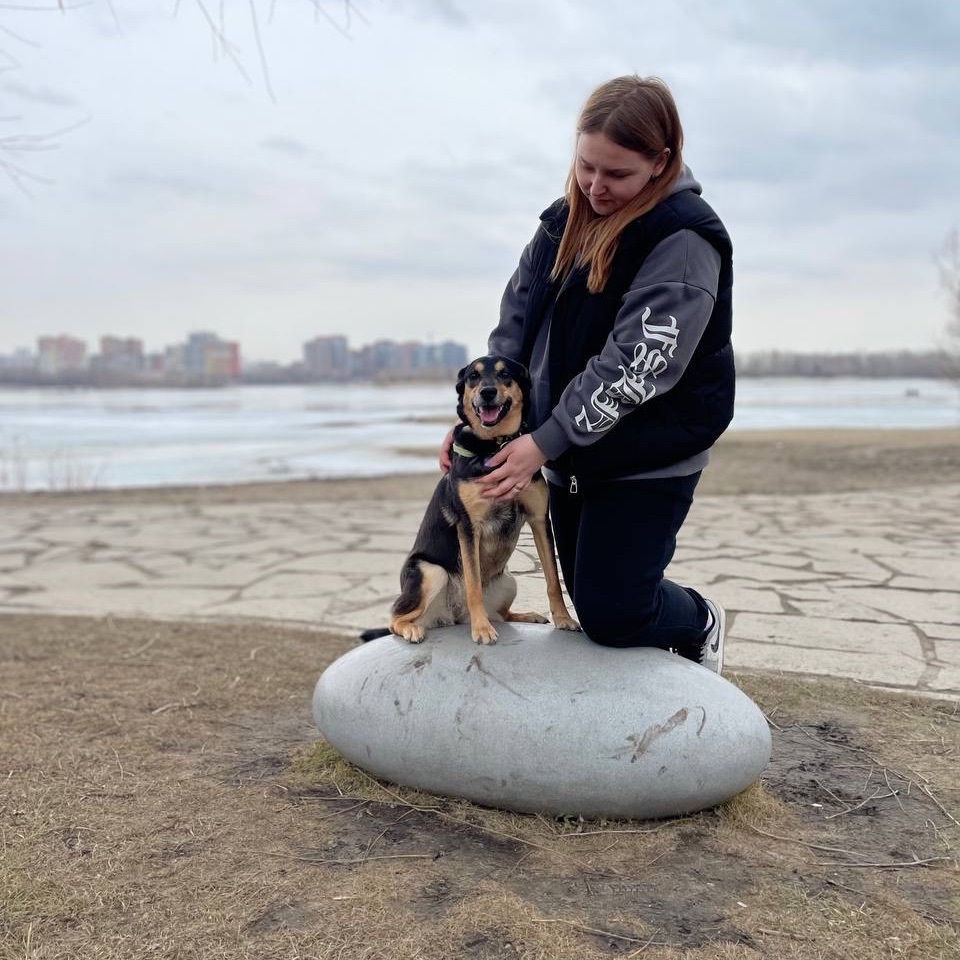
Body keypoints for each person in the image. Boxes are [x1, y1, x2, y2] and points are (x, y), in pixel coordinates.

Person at [442, 75, 733, 673]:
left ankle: (701, 620)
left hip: (648, 450)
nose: (596, 187)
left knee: (615, 612)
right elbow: (514, 326)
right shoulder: (560, 224)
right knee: (590, 598)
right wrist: (480, 426)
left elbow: (633, 365)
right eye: (585, 166)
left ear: (661, 162)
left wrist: (545, 440)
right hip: (570, 450)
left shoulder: (683, 240)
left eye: (617, 174)